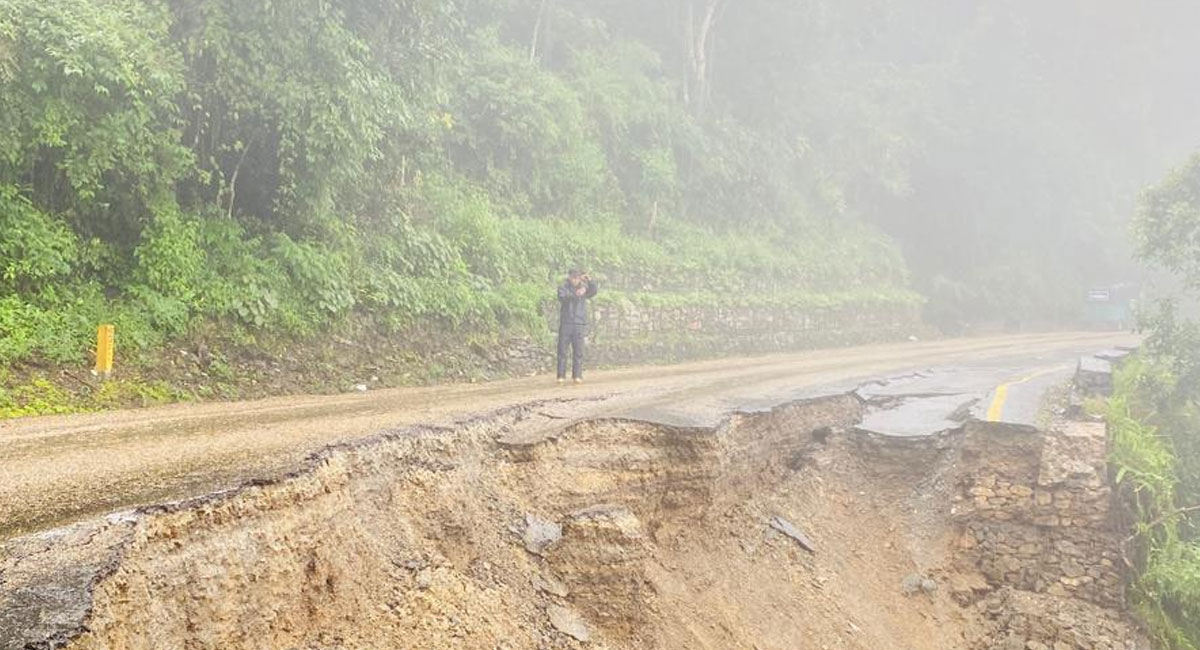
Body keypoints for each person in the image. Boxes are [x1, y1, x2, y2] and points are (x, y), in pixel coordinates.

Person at [557, 269, 598, 384]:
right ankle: (561, 376)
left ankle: (577, 376)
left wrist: (590, 280)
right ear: (569, 277)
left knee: (578, 351)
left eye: (578, 277)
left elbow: (594, 291)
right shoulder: (563, 287)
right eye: (573, 277)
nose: (575, 279)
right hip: (566, 323)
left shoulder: (584, 288)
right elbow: (562, 297)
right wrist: (576, 294)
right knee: (562, 351)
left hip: (579, 323)